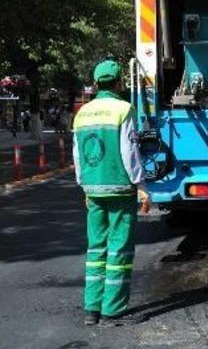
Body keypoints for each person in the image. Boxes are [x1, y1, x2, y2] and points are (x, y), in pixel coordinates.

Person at [72, 60, 150, 326]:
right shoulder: (123, 109)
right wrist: (141, 186)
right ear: (119, 83)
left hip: (93, 189)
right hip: (119, 188)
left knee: (96, 248)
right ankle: (112, 311)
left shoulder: (82, 113)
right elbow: (130, 153)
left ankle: (91, 309)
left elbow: (78, 155)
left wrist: (84, 185)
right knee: (119, 250)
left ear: (95, 84)